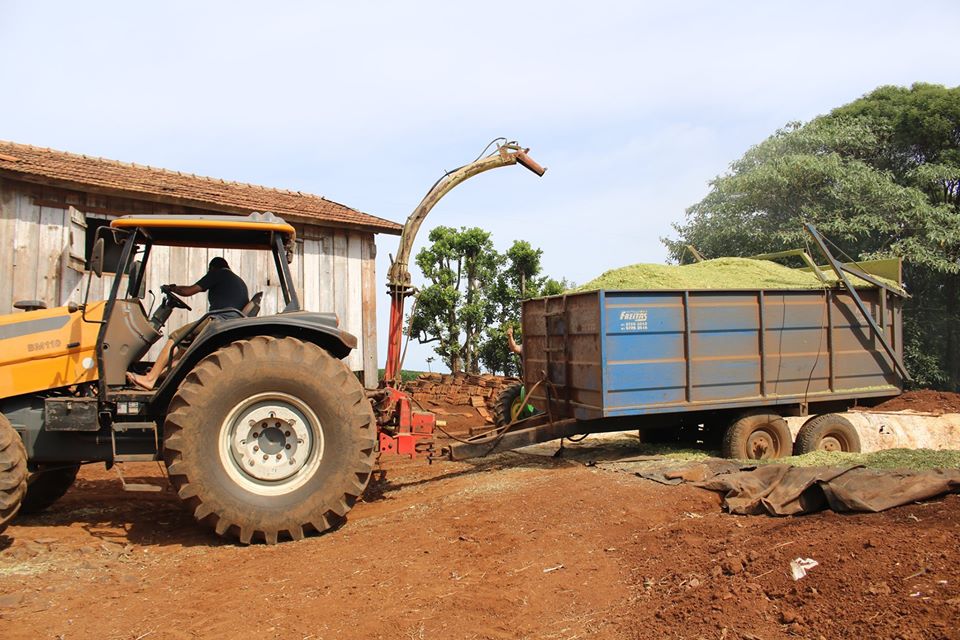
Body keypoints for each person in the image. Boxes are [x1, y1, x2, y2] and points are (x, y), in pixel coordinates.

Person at [127, 257, 249, 390]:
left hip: (218, 320)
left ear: (212, 268)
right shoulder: (238, 281)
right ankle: (162, 375)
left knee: (175, 338)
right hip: (229, 322)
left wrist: (172, 288)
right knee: (184, 348)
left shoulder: (218, 274)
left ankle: (150, 379)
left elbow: (189, 291)